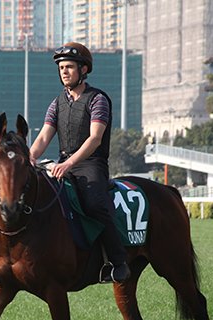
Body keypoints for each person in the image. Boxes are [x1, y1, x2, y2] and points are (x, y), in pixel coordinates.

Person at [29, 42, 130, 283]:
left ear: (83, 70)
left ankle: (118, 262)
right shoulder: (56, 103)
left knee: (95, 204)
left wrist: (69, 164)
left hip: (91, 164)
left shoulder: (98, 99)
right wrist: (29, 157)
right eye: (61, 67)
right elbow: (43, 137)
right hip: (63, 163)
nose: (64, 71)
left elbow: (95, 139)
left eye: (69, 67)